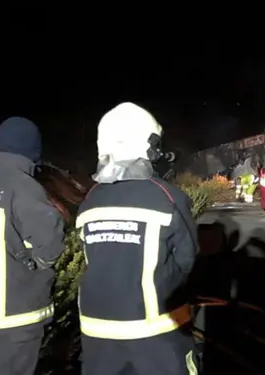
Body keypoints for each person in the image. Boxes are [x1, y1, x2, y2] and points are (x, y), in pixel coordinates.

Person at [75, 102, 199, 375]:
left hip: (96, 333)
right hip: (156, 333)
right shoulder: (167, 197)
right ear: (149, 146)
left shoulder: (89, 201)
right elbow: (187, 258)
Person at [0, 117, 66, 375]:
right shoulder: (24, 187)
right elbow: (50, 242)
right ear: (33, 151)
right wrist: (33, 263)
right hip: (15, 318)